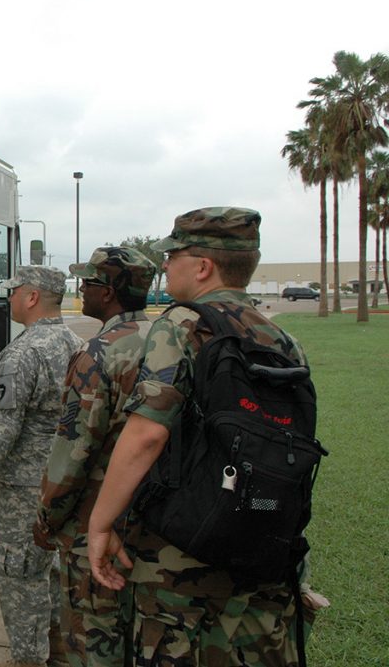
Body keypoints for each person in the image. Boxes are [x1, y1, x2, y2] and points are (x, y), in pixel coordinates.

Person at [87, 207, 309, 665]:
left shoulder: (182, 324)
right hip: (262, 535)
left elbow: (148, 433)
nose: (165, 265)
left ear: (203, 267)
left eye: (173, 256)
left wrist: (101, 523)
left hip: (182, 549)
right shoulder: (282, 337)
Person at [34, 247, 157, 667]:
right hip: (155, 523)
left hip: (95, 529)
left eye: (86, 283)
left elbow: (72, 452)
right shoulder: (170, 341)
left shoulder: (99, 353)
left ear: (107, 293)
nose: (81, 290)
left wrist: (47, 517)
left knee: (94, 640)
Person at [0, 266, 84, 667]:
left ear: (31, 297)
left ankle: (30, 659)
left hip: (25, 491)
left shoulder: (22, 353)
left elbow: (1, 428)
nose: (9, 297)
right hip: (67, 485)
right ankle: (60, 652)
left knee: (20, 578)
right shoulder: (80, 346)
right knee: (53, 573)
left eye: (13, 290)